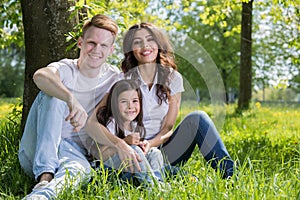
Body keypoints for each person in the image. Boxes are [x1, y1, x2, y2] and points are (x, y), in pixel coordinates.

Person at [86, 22, 236, 181]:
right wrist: (120, 144)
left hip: (162, 151)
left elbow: (168, 128)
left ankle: (230, 177)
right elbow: (91, 124)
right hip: (130, 151)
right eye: (137, 42)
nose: (145, 46)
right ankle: (159, 176)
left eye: (150, 40)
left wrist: (150, 144)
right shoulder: (122, 80)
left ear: (158, 43)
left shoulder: (173, 79)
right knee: (163, 172)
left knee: (198, 118)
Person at [18, 14, 126, 200]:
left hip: (73, 153)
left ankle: (40, 196)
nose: (96, 50)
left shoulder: (113, 78)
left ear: (111, 50)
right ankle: (45, 174)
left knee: (81, 171)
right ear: (80, 43)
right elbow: (40, 76)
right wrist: (70, 99)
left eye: (104, 45)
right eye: (91, 42)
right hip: (37, 150)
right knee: (53, 94)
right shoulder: (66, 68)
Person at [86, 79, 164, 184]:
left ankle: (159, 182)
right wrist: (126, 142)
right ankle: (152, 186)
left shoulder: (135, 125)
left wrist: (143, 147)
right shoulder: (111, 123)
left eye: (135, 101)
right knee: (133, 149)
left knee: (155, 152)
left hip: (127, 170)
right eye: (124, 102)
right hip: (107, 171)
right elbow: (102, 155)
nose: (130, 106)